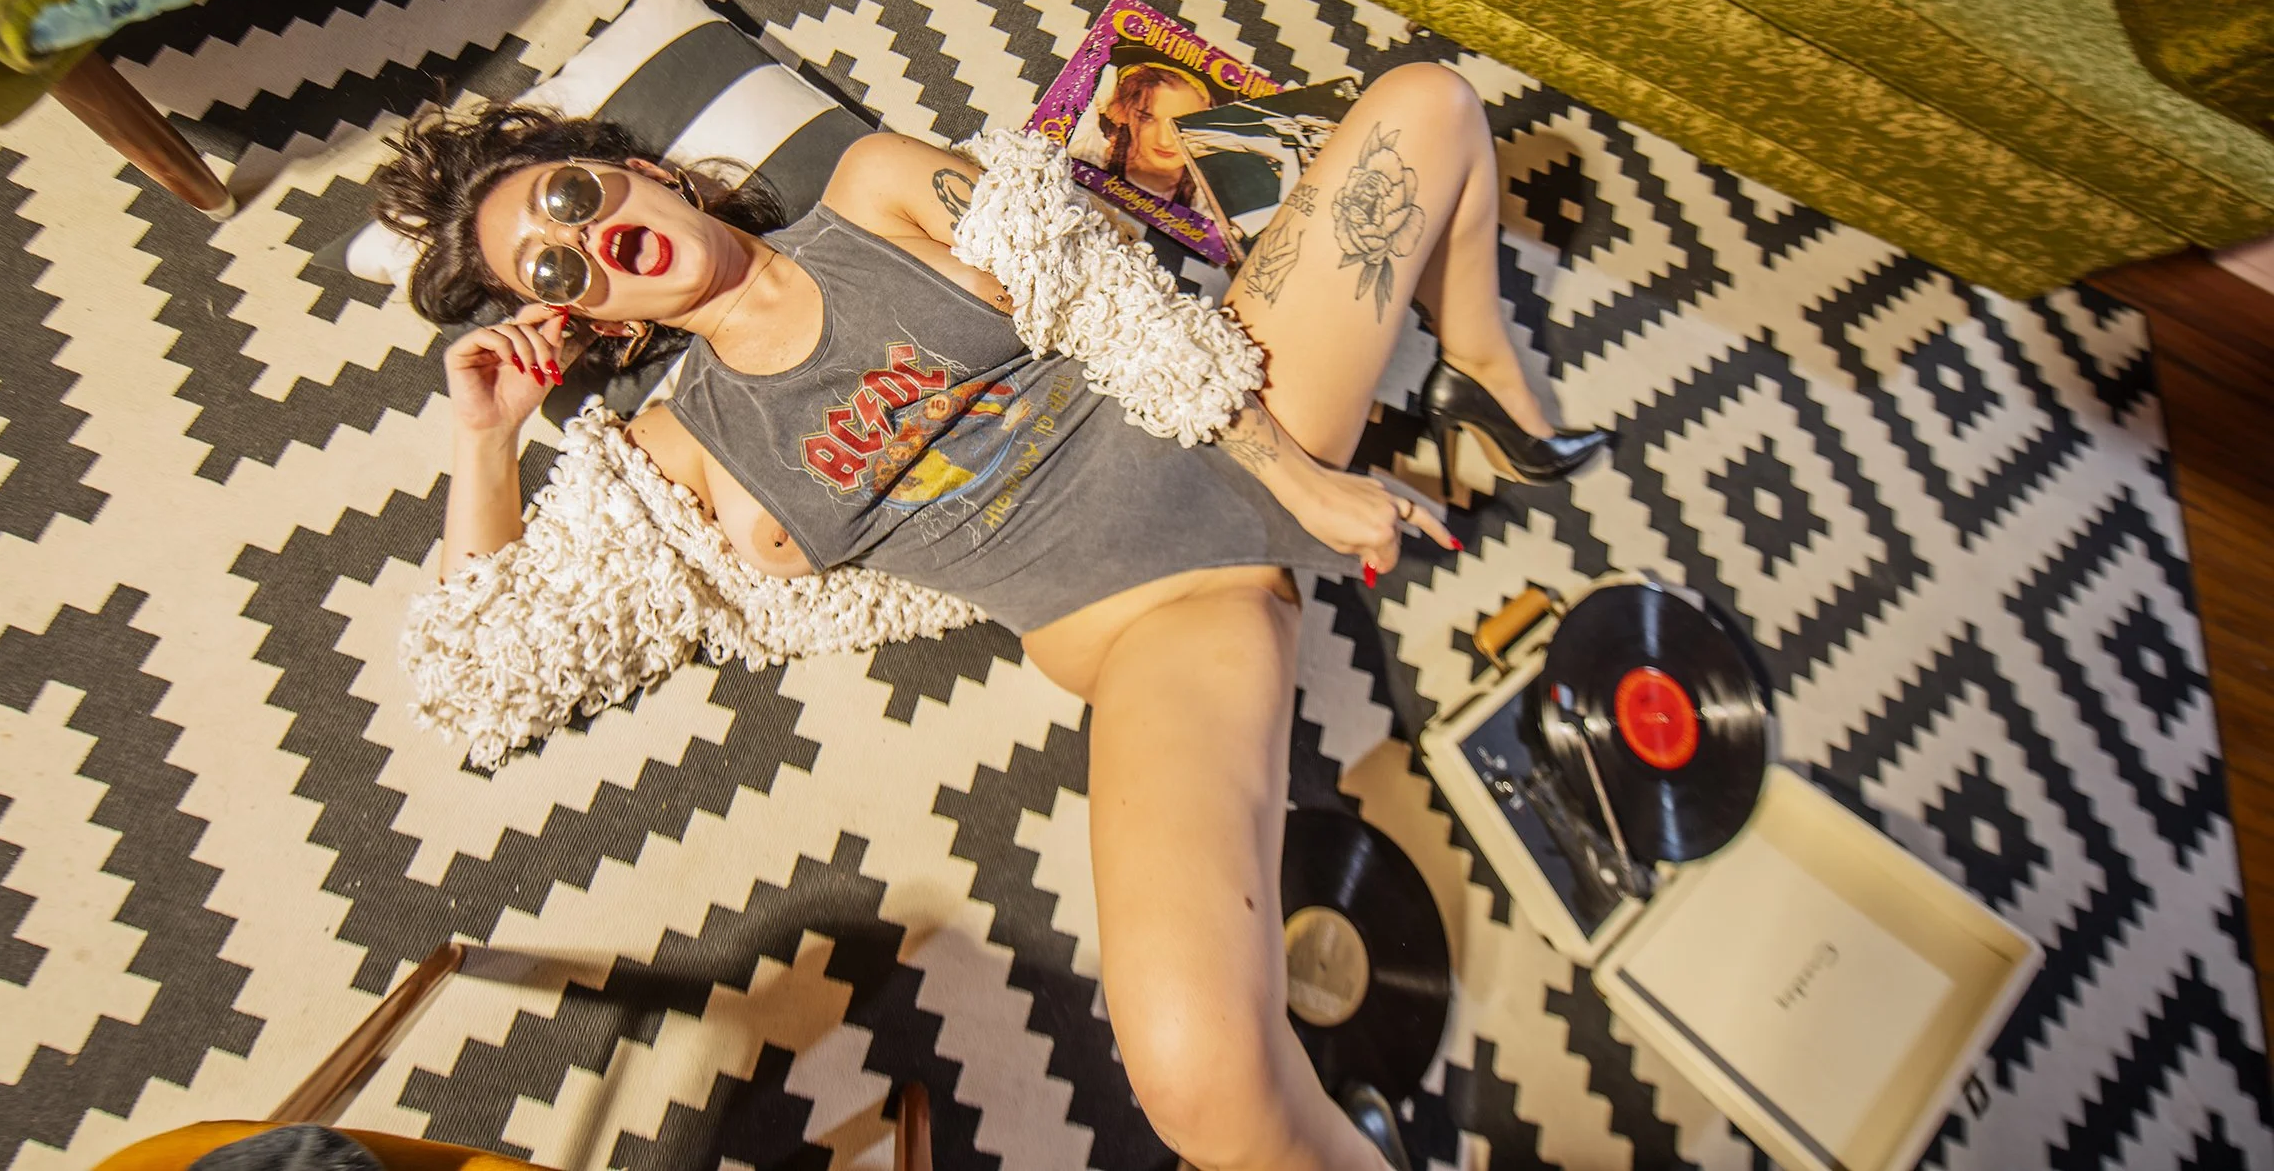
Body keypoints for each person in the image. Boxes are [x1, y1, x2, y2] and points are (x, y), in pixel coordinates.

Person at [373, 60, 1611, 1171]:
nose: (588, 244)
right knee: (1202, 1095)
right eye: (550, 267)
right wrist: (485, 443)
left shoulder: (872, 189)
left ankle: (1486, 363)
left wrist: (1297, 476)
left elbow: (1104, 297)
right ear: (580, 318)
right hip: (1148, 623)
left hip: (1241, 403)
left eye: (577, 199)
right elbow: (479, 678)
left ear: (640, 175)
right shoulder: (671, 461)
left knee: (1426, 104)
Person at [1091, 57, 1214, 205]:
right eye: (1146, 118)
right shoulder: (1091, 156)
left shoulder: (1208, 207)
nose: (1164, 141)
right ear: (1124, 110)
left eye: (1183, 123)